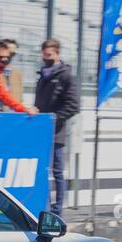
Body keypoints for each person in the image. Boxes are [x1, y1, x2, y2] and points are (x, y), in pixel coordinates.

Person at [33, 37, 79, 215]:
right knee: (41, 172)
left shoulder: (66, 76)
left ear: (57, 54)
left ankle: (57, 210)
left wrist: (54, 120)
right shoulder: (42, 75)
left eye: (49, 55)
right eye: (44, 55)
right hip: (40, 132)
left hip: (56, 132)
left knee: (57, 172)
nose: (46, 58)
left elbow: (73, 105)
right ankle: (43, 207)